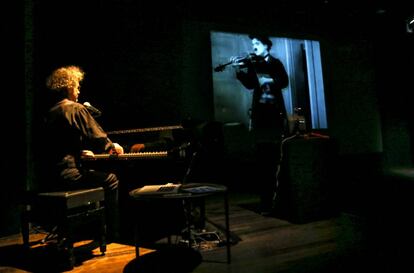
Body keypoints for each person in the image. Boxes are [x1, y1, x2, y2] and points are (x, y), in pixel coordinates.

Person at [40, 65, 124, 241]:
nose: (78, 91)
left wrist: (77, 152)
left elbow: (58, 144)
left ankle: (88, 229)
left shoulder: (50, 112)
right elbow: (98, 137)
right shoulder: (75, 108)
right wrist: (113, 146)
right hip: (69, 175)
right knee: (112, 180)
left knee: (95, 176)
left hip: (50, 176)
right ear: (69, 86)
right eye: (77, 86)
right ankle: (112, 233)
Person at [230, 34, 289, 215]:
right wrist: (239, 70)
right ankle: (265, 202)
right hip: (260, 118)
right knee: (263, 161)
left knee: (276, 161)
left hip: (275, 117)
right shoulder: (254, 64)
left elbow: (283, 81)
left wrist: (269, 79)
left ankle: (276, 201)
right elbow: (250, 85)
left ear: (266, 45)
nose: (253, 46)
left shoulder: (275, 63)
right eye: (252, 43)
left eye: (256, 43)